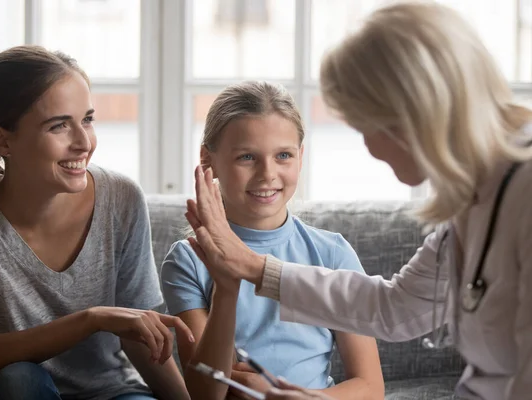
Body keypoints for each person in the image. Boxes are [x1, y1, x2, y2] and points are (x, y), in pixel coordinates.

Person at [183, 3, 532, 400]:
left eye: (364, 125)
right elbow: (393, 308)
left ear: (411, 115)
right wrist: (254, 267)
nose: (367, 146)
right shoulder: (476, 196)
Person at [0, 45, 193, 400]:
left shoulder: (122, 198)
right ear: (2, 140)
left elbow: (143, 340)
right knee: (19, 380)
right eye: (59, 126)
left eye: (87, 119)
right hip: (9, 394)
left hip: (109, 393)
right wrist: (91, 319)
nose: (84, 142)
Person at [161, 81, 384, 400]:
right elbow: (207, 393)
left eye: (283, 155)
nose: (268, 174)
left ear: (300, 156)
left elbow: (370, 387)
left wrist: (281, 398)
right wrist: (226, 289)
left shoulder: (332, 254)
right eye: (247, 157)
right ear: (207, 159)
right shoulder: (188, 260)